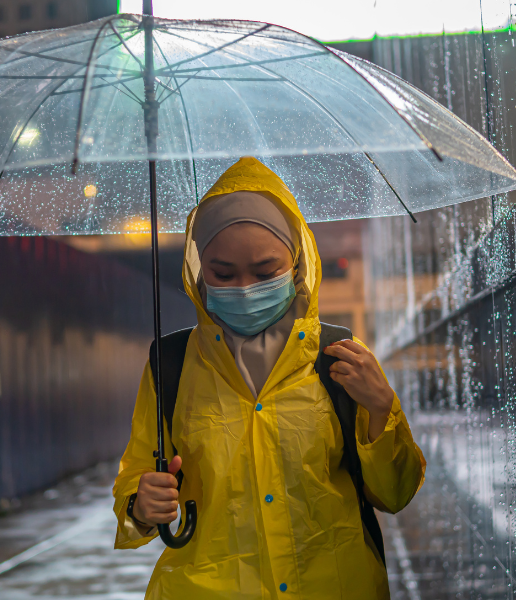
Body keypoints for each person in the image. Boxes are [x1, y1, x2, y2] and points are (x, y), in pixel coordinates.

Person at [112, 157, 426, 599]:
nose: (244, 288)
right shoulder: (172, 364)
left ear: (297, 262)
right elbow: (138, 477)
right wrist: (141, 507)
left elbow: (394, 494)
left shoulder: (339, 358)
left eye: (265, 273)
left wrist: (380, 410)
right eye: (223, 274)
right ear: (200, 270)